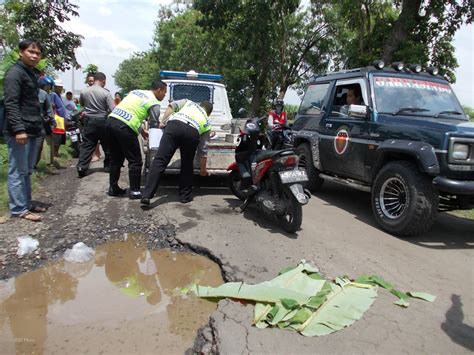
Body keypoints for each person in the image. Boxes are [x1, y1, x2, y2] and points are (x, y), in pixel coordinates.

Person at [3, 39, 46, 221]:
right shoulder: (14, 74)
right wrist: (19, 129)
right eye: (31, 52)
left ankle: (26, 204)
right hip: (20, 130)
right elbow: (11, 103)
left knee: (27, 170)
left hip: (33, 127)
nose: (35, 56)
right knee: (18, 171)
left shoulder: (30, 74)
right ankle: (18, 208)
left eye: (37, 53)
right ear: (21, 52)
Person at [141, 99, 213, 206]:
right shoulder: (207, 122)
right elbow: (203, 149)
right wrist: (203, 169)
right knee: (187, 164)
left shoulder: (188, 102)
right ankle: (185, 196)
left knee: (160, 160)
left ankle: (146, 195)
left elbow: (171, 106)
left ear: (200, 104)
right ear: (209, 113)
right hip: (192, 133)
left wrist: (163, 121)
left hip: (174, 126)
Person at [106, 80, 167, 199]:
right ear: (159, 90)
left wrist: (142, 131)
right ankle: (135, 191)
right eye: (164, 92)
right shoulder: (153, 102)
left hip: (110, 122)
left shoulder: (136, 92)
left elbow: (130, 112)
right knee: (135, 161)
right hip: (125, 128)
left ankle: (113, 188)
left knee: (116, 158)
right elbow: (154, 123)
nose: (164, 96)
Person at [76, 72, 114, 177]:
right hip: (102, 120)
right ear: (103, 81)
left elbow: (82, 105)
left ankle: (81, 167)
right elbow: (112, 109)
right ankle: (108, 166)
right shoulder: (106, 93)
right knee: (107, 144)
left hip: (89, 121)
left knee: (87, 144)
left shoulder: (84, 91)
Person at [35, 76, 55, 168]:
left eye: (49, 86)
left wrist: (51, 121)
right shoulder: (29, 92)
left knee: (39, 145)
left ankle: (34, 165)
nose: (48, 88)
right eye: (47, 86)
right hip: (29, 123)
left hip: (42, 123)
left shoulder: (45, 95)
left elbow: (49, 110)